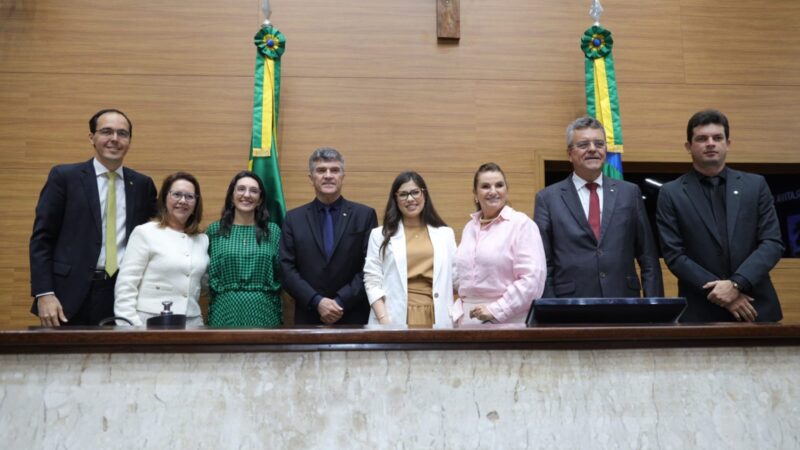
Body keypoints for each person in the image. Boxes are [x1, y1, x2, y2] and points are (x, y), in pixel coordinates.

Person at [29, 109, 157, 326]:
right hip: (67, 296)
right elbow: (42, 239)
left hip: (122, 294)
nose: (114, 139)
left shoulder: (143, 185)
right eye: (107, 132)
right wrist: (44, 293)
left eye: (122, 133)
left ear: (129, 141)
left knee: (121, 359)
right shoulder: (65, 177)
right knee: (65, 360)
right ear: (92, 138)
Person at [656, 109, 783, 322]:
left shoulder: (755, 186)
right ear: (689, 146)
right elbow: (674, 255)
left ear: (728, 143)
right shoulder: (671, 193)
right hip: (700, 309)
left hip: (755, 306)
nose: (710, 143)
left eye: (717, 138)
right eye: (702, 138)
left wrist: (737, 284)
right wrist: (723, 294)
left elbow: (772, 243)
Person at [533, 117, 663, 299]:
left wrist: (655, 309)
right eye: (584, 144)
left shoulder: (630, 193)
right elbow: (543, 264)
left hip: (624, 302)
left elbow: (648, 258)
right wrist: (551, 311)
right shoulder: (547, 198)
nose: (593, 149)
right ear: (569, 154)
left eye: (599, 144)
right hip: (570, 307)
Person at [280, 147, 378, 325]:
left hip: (353, 315)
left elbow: (370, 267)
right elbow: (286, 269)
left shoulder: (364, 216)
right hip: (308, 316)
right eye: (321, 170)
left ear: (342, 177)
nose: (328, 175)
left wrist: (340, 302)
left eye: (334, 170)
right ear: (311, 178)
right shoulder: (294, 219)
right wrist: (317, 301)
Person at [454, 163, 547, 325]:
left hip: (507, 321)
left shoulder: (521, 224)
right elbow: (461, 277)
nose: (493, 191)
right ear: (475, 193)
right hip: (467, 322)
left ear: (506, 190)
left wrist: (495, 310)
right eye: (485, 186)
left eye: (499, 185)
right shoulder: (470, 227)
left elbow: (532, 281)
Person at [114, 172, 209, 326]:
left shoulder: (202, 240)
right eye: (177, 194)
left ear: (196, 203)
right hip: (149, 322)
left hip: (192, 322)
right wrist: (129, 328)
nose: (183, 201)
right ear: (165, 198)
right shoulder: (145, 232)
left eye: (190, 196)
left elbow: (202, 284)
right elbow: (126, 284)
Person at [363, 172, 457, 327]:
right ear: (395, 199)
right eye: (403, 194)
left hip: (436, 314)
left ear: (424, 194)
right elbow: (372, 280)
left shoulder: (445, 234)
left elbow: (457, 278)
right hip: (393, 315)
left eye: (415, 192)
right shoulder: (379, 235)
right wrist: (383, 319)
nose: (410, 199)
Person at [206, 171, 282, 327]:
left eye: (253, 191)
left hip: (264, 311)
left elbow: (284, 272)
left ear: (260, 199)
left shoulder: (273, 231)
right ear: (232, 196)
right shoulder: (214, 231)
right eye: (241, 189)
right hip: (224, 311)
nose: (246, 195)